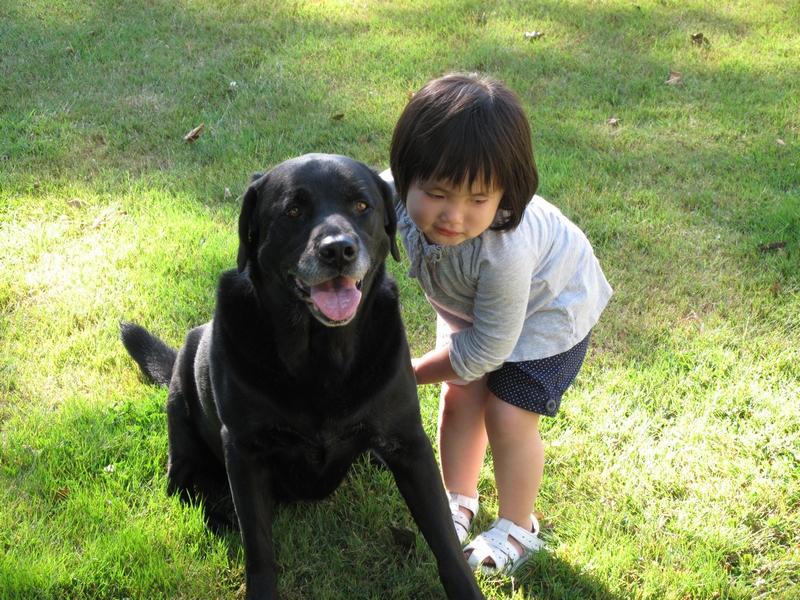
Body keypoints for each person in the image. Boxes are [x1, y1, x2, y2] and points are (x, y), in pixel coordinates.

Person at [380, 73, 612, 575]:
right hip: (475, 310)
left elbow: (486, 350)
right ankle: (458, 498)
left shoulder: (504, 251)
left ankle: (518, 527)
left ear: (505, 193)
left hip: (548, 312)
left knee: (506, 414)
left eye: (477, 200)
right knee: (460, 395)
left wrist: (407, 373)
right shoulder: (388, 193)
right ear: (405, 175)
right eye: (436, 193)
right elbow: (356, 196)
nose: (453, 215)